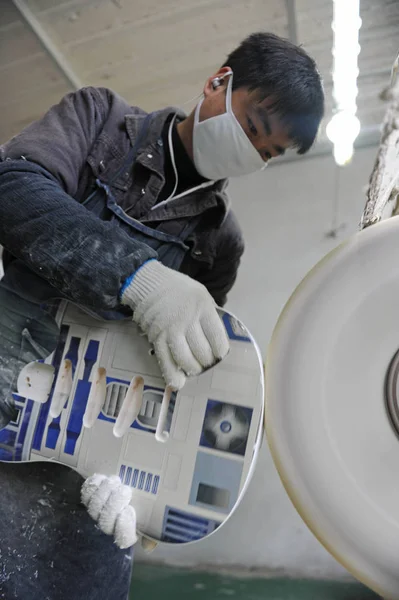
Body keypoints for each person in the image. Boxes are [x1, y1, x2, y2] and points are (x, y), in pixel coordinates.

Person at [0, 32, 324, 599]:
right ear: (218, 83)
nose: (251, 152)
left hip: (83, 464)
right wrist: (139, 279)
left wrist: (144, 499)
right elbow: (13, 187)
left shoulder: (220, 243)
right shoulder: (100, 121)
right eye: (251, 127)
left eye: (267, 153)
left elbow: (180, 379)